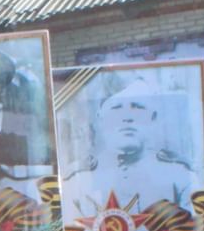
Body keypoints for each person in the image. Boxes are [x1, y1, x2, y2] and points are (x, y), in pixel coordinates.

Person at [75, 72, 197, 214]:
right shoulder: (79, 179)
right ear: (100, 118)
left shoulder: (181, 175)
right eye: (116, 108)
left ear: (153, 117)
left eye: (138, 107)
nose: (127, 117)